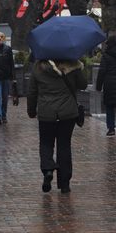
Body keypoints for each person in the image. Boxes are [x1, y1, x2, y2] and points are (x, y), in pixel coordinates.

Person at [27, 59, 87, 194]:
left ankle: (48, 169)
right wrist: (78, 66)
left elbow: (32, 91)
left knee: (46, 143)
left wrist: (31, 110)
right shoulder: (73, 65)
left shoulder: (38, 67)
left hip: (46, 113)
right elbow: (83, 85)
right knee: (64, 145)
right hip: (67, 113)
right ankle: (64, 184)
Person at [96, 36, 116, 139]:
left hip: (109, 84)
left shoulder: (106, 55)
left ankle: (110, 129)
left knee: (109, 106)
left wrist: (98, 86)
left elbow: (102, 71)